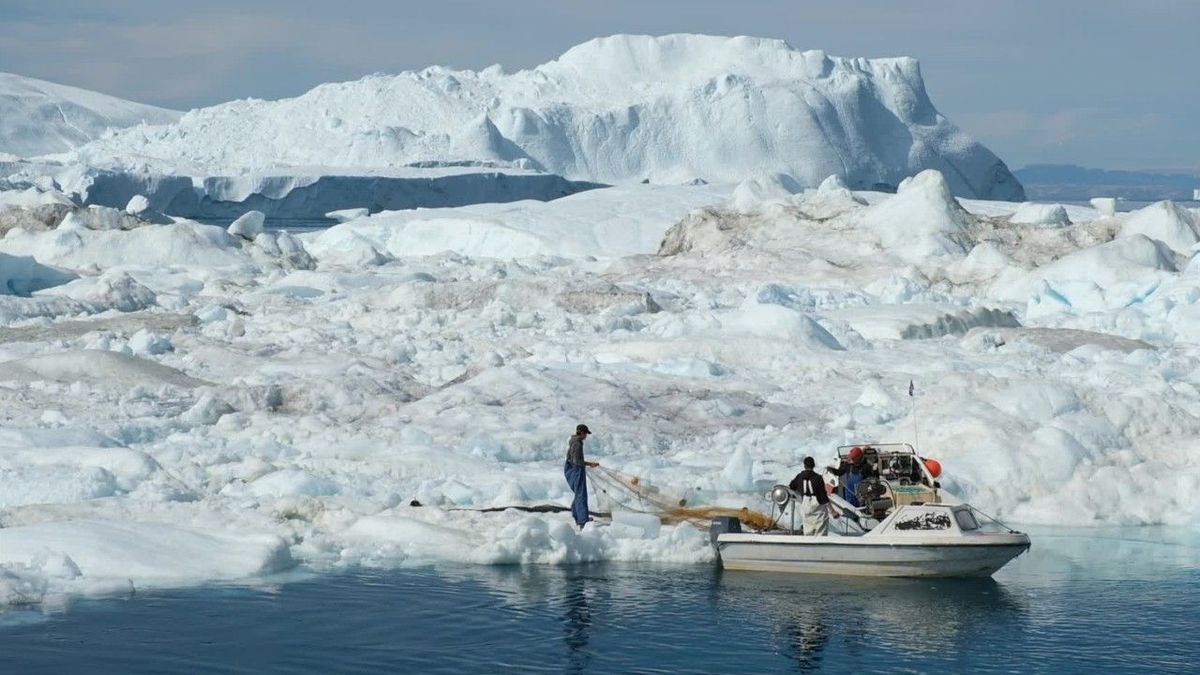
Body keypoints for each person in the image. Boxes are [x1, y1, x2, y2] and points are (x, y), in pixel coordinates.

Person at [789, 456, 836, 535]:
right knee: (820, 531)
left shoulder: (800, 477)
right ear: (814, 465)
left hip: (806, 505)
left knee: (808, 530)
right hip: (818, 507)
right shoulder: (818, 478)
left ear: (804, 466)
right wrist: (832, 511)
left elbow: (791, 486)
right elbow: (823, 496)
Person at [564, 424, 599, 529]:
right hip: (576, 470)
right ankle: (583, 520)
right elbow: (577, 461)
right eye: (586, 433)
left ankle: (576, 514)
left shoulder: (574, 441)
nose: (586, 436)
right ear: (582, 432)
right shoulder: (577, 444)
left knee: (579, 494)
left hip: (572, 469)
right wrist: (590, 464)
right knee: (581, 495)